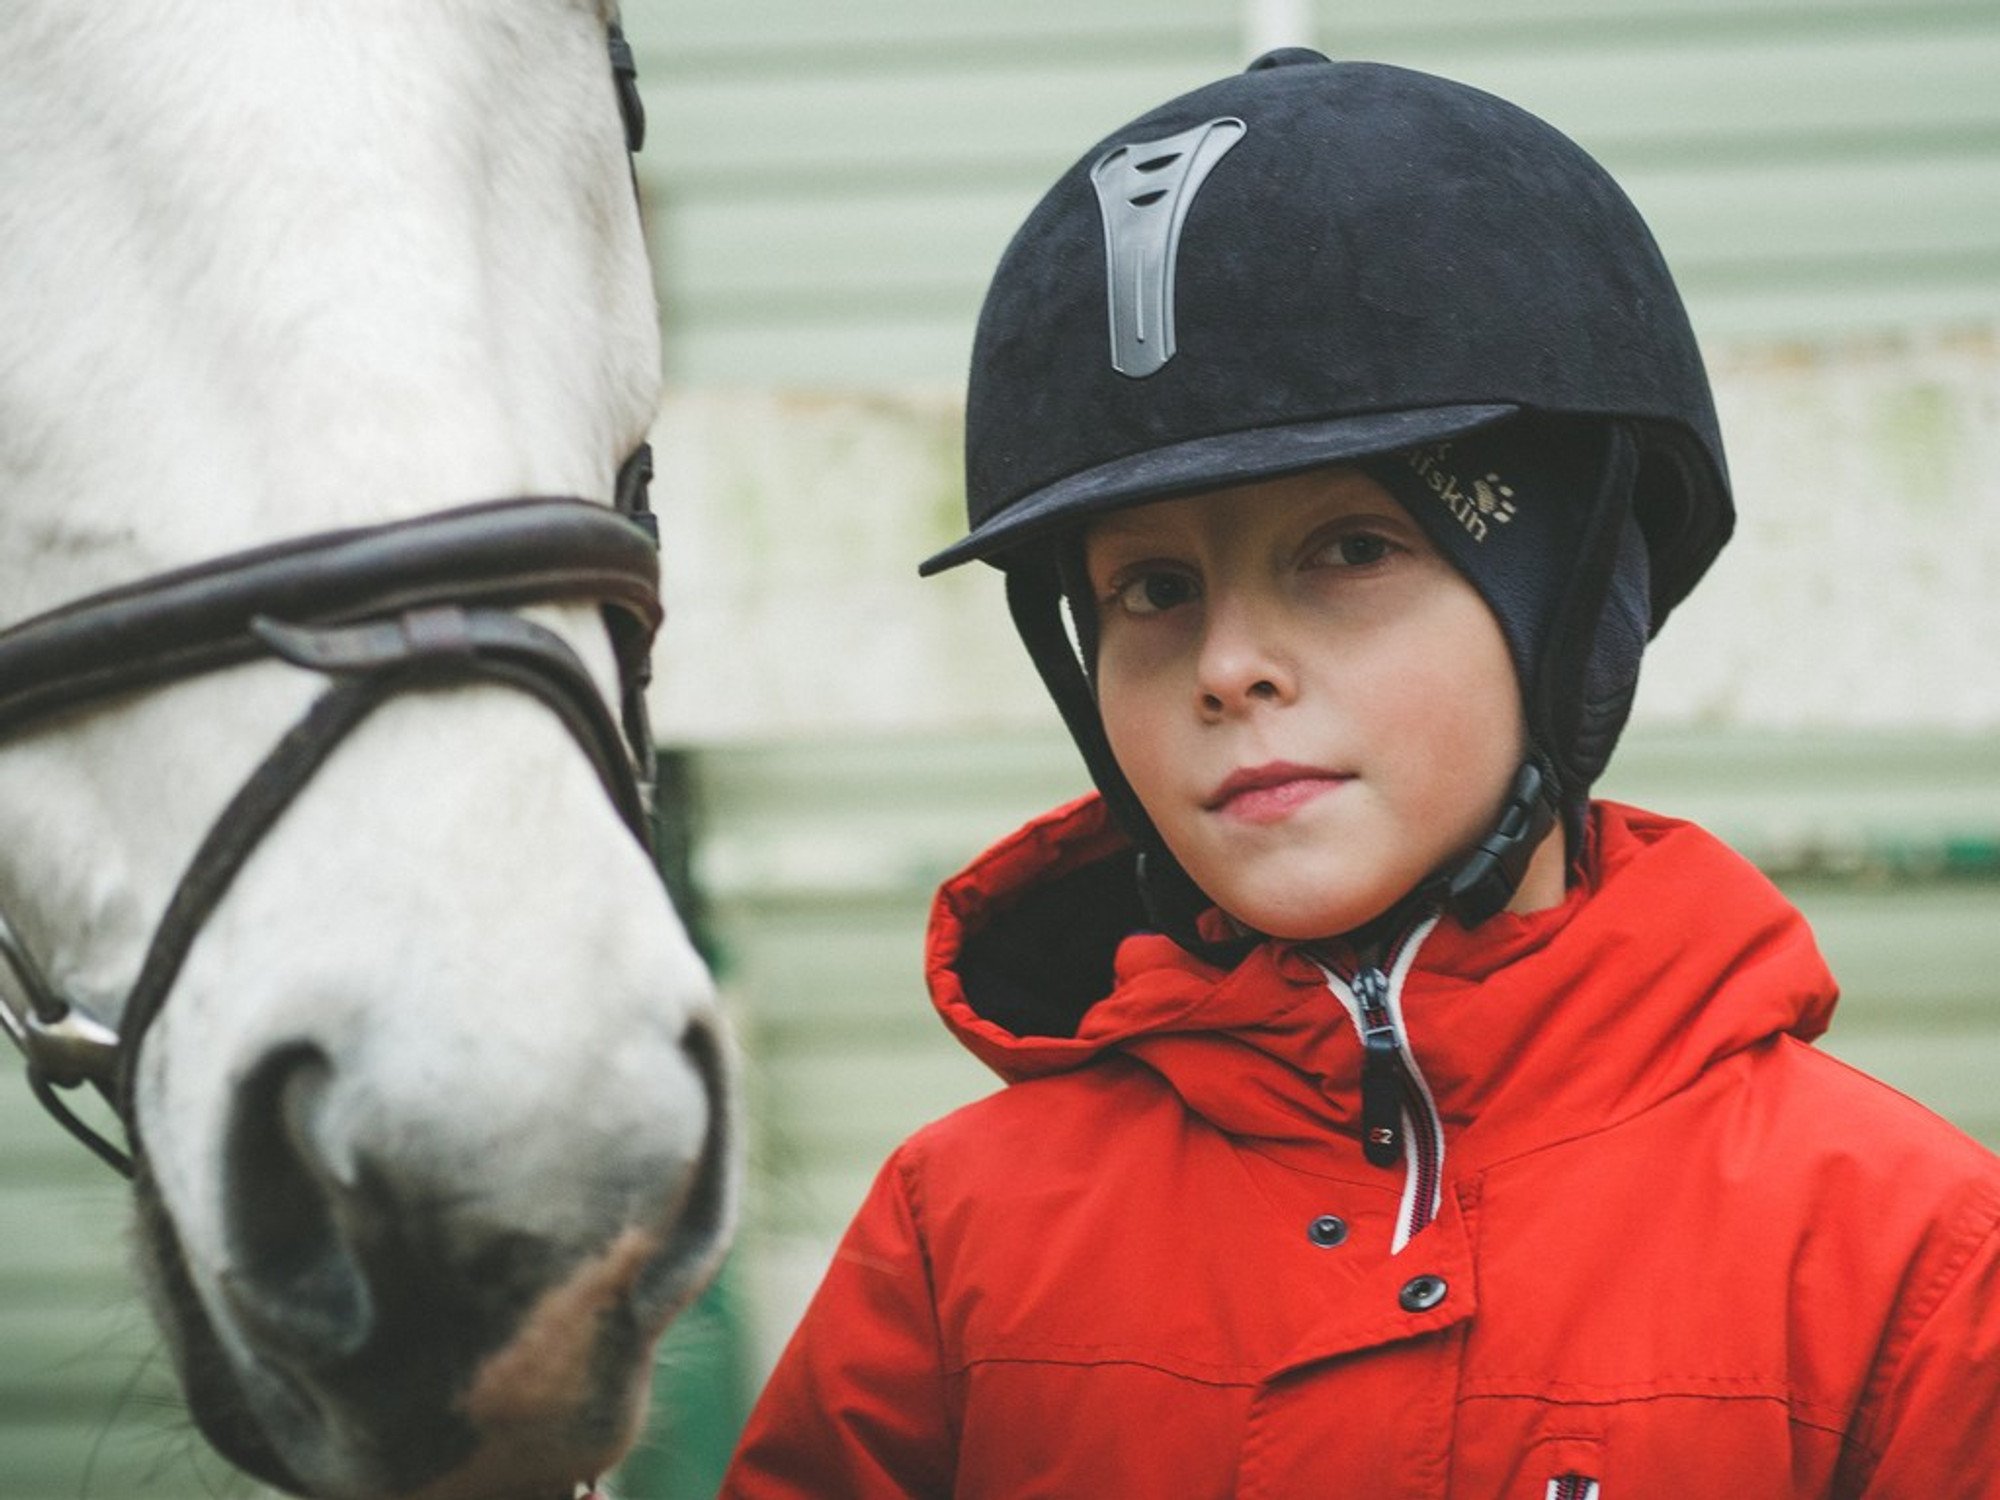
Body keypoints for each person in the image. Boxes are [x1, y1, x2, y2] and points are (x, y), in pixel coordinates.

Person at [718, 50, 2000, 1498]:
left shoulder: (1911, 1260)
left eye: (1349, 551)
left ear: (1571, 611)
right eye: (1149, 589)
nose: (1228, 665)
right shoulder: (951, 1242)